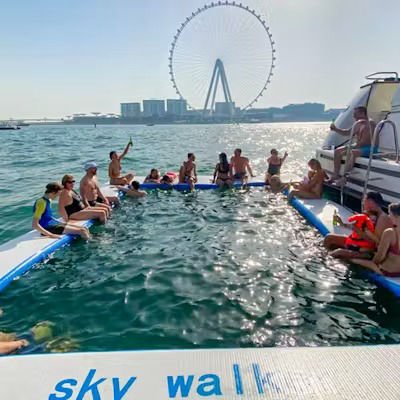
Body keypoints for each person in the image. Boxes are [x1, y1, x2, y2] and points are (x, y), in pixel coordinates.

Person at [324, 192, 393, 260]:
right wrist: (342, 224)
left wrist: (357, 230)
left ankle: (325, 260)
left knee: (338, 252)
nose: (363, 203)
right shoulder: (370, 214)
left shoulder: (382, 219)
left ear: (371, 202)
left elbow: (375, 243)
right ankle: (325, 257)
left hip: (368, 251)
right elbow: (358, 228)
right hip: (358, 243)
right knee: (329, 238)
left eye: (364, 201)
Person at [351, 203, 400, 277]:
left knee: (351, 260)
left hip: (386, 271)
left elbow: (380, 256)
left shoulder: (390, 232)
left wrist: (371, 264)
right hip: (398, 273)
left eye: (390, 214)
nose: (389, 216)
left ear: (397, 217)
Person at [330, 106, 377, 182]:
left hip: (369, 147)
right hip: (359, 146)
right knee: (338, 150)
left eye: (355, 114)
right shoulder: (358, 123)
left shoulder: (370, 123)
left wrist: (350, 148)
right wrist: (335, 129)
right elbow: (347, 132)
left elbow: (364, 141)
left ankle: (344, 177)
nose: (354, 116)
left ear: (362, 113)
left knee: (352, 152)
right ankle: (335, 174)